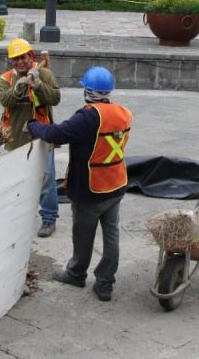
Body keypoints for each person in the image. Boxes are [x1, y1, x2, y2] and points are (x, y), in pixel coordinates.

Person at [26, 66, 131, 301]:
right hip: (116, 183)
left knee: (83, 234)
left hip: (91, 188)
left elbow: (55, 133)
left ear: (89, 91)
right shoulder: (123, 112)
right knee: (112, 236)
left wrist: (32, 125)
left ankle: (76, 273)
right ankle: (105, 284)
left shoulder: (88, 117)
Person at [0, 37, 61, 237]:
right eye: (15, 59)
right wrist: (18, 89)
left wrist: (38, 84)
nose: (20, 62)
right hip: (15, 139)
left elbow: (55, 98)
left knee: (47, 178)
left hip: (42, 137)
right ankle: (17, 216)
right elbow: (3, 99)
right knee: (16, 180)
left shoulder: (44, 74)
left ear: (30, 56)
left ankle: (49, 218)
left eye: (23, 57)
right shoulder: (6, 79)